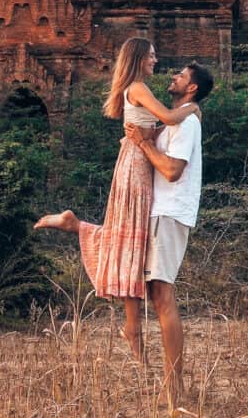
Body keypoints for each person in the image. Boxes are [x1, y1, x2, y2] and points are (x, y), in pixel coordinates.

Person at [34, 37, 199, 359]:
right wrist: (192, 107)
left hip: (139, 164)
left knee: (131, 239)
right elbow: (167, 118)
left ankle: (132, 324)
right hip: (136, 166)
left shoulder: (137, 88)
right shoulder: (138, 87)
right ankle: (132, 325)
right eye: (152, 55)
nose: (157, 60)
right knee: (130, 238)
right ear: (138, 58)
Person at [125, 61, 214, 401]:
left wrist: (145, 146)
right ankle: (169, 382)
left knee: (162, 296)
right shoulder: (177, 121)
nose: (173, 76)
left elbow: (174, 170)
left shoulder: (188, 122)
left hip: (170, 212)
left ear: (191, 88)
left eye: (180, 75)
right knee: (156, 294)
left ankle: (174, 386)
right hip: (159, 212)